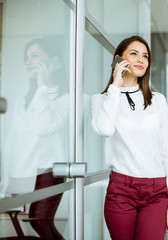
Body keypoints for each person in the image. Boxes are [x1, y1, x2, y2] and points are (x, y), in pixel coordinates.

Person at [91, 36, 168, 240]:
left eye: (145, 56)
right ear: (118, 60)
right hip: (121, 190)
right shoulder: (102, 100)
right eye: (134, 53)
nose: (141, 59)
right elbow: (104, 129)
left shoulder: (158, 101)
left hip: (156, 191)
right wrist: (116, 85)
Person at [2, 38, 68, 240]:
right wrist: (5, 184)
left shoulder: (66, 99)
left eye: (35, 56)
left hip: (48, 172)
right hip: (24, 174)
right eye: (26, 58)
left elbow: (43, 128)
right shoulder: (22, 102)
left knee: (40, 220)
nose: (28, 62)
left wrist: (43, 85)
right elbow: (11, 145)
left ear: (53, 62)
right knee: (37, 221)